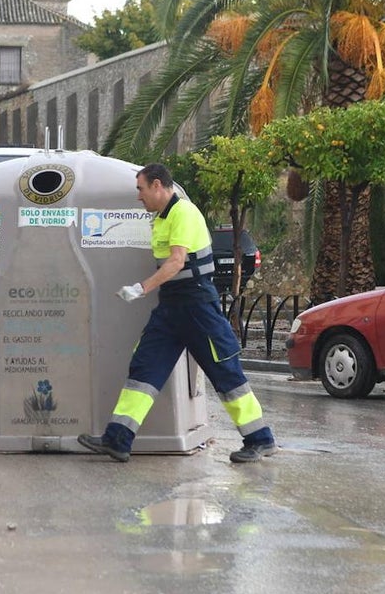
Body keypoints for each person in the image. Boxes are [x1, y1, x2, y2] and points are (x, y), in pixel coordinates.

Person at [78, 164, 277, 463]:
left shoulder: (183, 212)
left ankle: (260, 439)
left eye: (141, 189)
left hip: (197, 305)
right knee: (144, 369)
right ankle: (118, 439)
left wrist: (141, 288)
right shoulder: (161, 218)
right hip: (171, 306)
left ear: (157, 185)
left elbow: (176, 261)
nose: (138, 196)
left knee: (225, 371)